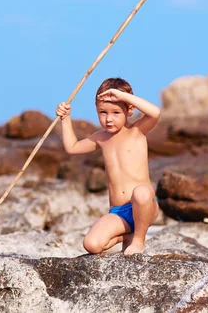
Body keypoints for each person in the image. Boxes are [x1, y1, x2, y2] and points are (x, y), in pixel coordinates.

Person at [55, 77, 161, 255]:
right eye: (103, 112)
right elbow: (72, 147)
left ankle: (138, 240)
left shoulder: (136, 131)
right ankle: (128, 234)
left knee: (141, 192)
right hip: (118, 212)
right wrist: (65, 119)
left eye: (116, 113)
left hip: (143, 206)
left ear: (130, 110)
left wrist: (122, 96)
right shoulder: (101, 138)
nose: (108, 119)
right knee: (92, 244)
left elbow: (155, 113)